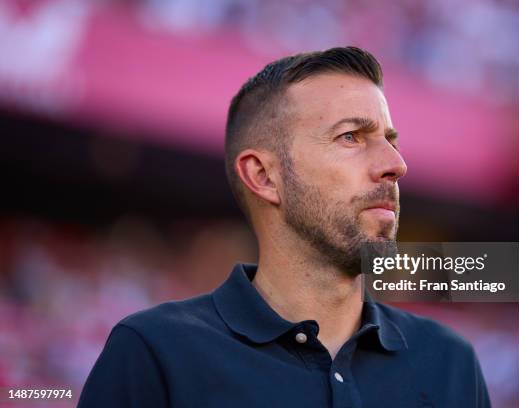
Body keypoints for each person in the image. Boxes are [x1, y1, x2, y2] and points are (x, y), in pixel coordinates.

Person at [77, 46, 491, 408]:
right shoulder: (155, 352)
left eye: (390, 139)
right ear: (263, 176)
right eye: (350, 137)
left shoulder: (450, 362)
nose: (396, 164)